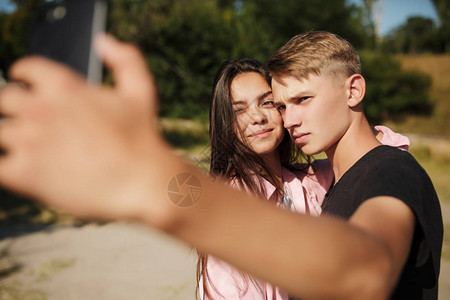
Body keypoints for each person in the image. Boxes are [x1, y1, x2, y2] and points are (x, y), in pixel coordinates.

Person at [0, 32, 442, 300]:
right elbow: (187, 192)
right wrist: (159, 182)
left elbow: (365, 271)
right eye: (282, 104)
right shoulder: (239, 190)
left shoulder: (354, 173)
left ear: (353, 90)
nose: (280, 117)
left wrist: (147, 182)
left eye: (282, 102)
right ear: (224, 122)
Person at [200, 58, 410, 299]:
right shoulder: (230, 207)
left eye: (267, 103)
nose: (257, 117)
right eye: (238, 110)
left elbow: (390, 147)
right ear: (224, 123)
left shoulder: (310, 179)